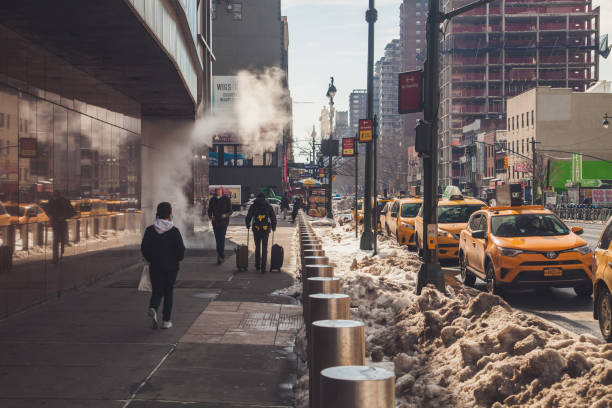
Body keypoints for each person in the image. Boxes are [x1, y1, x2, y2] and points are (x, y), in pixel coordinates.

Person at [141, 202, 185, 329]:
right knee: (168, 292)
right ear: (170, 214)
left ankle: (153, 307)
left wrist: (151, 259)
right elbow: (180, 252)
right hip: (171, 268)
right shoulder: (174, 231)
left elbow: (144, 248)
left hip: (155, 266)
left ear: (158, 214)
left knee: (157, 291)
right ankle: (166, 321)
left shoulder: (150, 230)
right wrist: (176, 259)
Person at [245, 193, 277, 273]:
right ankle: (263, 266)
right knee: (264, 247)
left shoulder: (253, 206)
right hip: (265, 229)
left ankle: (257, 265)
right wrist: (273, 226)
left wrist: (247, 224)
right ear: (264, 198)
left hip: (256, 229)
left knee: (257, 247)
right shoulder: (268, 206)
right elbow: (273, 217)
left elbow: (248, 216)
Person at [46, 190, 76, 264]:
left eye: (55, 195)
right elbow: (47, 210)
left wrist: (64, 216)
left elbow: (72, 212)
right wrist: (51, 216)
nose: (54, 197)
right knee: (56, 241)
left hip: (61, 223)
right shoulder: (52, 201)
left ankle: (60, 253)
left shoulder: (63, 201)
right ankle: (55, 258)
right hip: (56, 223)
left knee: (61, 240)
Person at [207, 187, 232, 264]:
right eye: (216, 190)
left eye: (219, 190)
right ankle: (219, 255)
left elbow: (230, 211)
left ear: (222, 191)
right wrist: (211, 216)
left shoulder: (226, 199)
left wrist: (226, 215)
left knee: (221, 238)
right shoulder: (212, 200)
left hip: (223, 222)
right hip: (215, 223)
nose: (217, 192)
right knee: (218, 240)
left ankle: (221, 256)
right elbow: (209, 210)